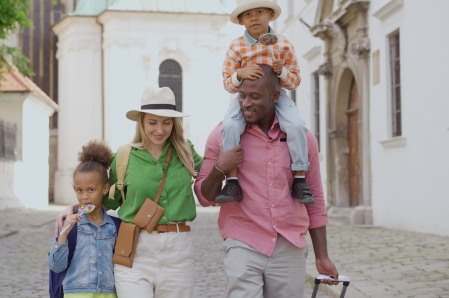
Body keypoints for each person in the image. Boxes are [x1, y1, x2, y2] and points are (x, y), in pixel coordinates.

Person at [195, 65, 339, 297]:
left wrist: (322, 256)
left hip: (289, 244)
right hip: (243, 239)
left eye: (255, 97)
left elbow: (314, 196)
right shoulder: (222, 135)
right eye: (242, 96)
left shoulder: (301, 139)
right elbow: (204, 197)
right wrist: (221, 167)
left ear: (275, 97)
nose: (246, 103)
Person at [56, 86, 203, 298]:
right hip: (135, 250)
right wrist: (74, 207)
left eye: (167, 122)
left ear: (175, 123)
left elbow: (209, 179)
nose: (159, 129)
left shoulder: (185, 150)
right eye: (152, 122)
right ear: (142, 122)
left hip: (178, 251)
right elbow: (106, 201)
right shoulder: (125, 156)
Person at [215, 0, 315, 206]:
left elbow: (295, 81)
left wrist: (281, 71)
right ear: (241, 21)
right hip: (244, 97)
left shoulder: (283, 44)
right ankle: (232, 180)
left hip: (276, 97)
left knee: (297, 125)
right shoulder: (236, 47)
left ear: (270, 15)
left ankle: (299, 178)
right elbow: (227, 84)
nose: (254, 18)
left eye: (259, 12)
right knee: (230, 126)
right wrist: (240, 73)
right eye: (248, 14)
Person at [49, 141, 120, 298]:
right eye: (80, 190)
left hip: (108, 293)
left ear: (105, 189)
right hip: (77, 293)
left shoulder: (115, 227)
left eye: (91, 190)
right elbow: (56, 266)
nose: (85, 196)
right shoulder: (71, 226)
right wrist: (64, 233)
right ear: (75, 190)